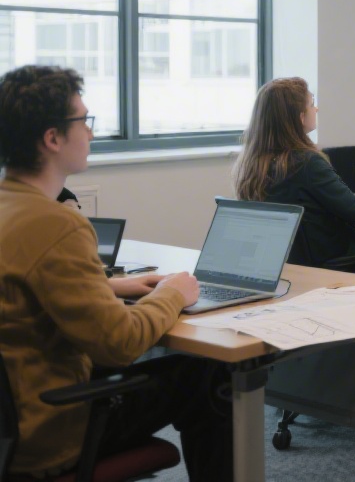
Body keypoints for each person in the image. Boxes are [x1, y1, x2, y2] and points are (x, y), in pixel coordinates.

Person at [0, 65, 231, 480]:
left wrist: (111, 285)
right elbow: (119, 344)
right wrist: (174, 293)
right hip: (49, 433)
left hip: (9, 431)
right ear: (52, 138)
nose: (90, 133)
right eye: (83, 121)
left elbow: (23, 290)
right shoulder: (57, 224)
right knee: (206, 372)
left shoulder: (9, 208)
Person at [232, 77, 355, 267]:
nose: (316, 109)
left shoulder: (250, 163)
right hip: (329, 259)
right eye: (312, 104)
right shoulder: (306, 163)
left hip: (281, 262)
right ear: (300, 117)